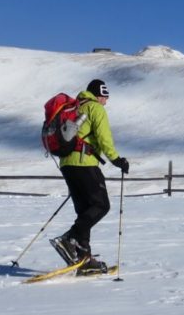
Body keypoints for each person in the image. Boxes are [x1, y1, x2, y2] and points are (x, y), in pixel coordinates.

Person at [51, 78, 129, 273]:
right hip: (84, 163)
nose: (106, 101)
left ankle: (84, 258)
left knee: (85, 210)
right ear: (99, 94)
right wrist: (116, 159)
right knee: (101, 205)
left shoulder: (75, 108)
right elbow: (104, 138)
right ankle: (70, 239)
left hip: (67, 164)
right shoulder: (95, 108)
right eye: (105, 97)